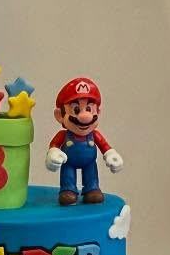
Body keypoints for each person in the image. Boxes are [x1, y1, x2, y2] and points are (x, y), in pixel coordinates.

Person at [45, 78, 123, 206]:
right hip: (68, 163)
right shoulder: (63, 135)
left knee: (91, 174)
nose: (85, 117)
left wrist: (111, 154)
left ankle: (92, 189)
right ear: (60, 115)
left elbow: (104, 146)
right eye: (76, 109)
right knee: (68, 176)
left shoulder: (95, 135)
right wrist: (53, 153)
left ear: (98, 112)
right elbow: (54, 145)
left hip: (89, 163)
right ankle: (68, 190)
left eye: (88, 109)